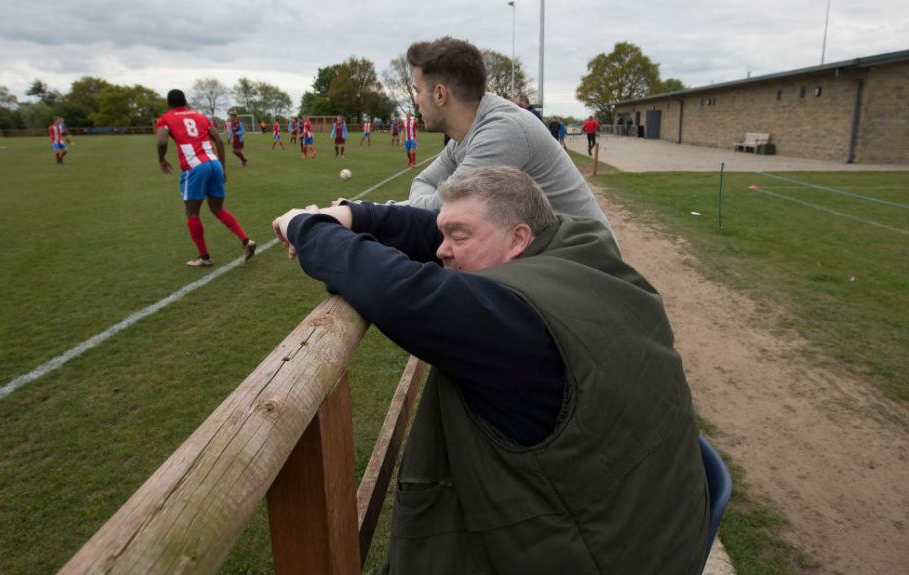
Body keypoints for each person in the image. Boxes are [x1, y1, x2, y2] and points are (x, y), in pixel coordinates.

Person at [271, 165, 709, 574]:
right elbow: (440, 234)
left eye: (457, 236)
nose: (440, 250)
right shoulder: (582, 250)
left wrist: (305, 226)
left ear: (519, 239)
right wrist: (352, 214)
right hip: (658, 531)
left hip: (605, 555)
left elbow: (402, 293)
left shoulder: (515, 324)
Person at [402, 37, 611, 233]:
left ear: (440, 94)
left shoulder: (503, 131)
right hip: (550, 251)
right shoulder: (469, 131)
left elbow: (438, 211)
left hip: (587, 260)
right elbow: (422, 182)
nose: (417, 101)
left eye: (418, 91)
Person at [156, 89, 256, 266]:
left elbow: (162, 141)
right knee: (218, 209)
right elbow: (218, 140)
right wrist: (222, 167)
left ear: (168, 103)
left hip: (194, 166)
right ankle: (246, 241)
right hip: (214, 163)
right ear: (185, 100)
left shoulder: (166, 118)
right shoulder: (200, 116)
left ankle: (204, 257)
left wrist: (162, 159)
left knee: (192, 212)